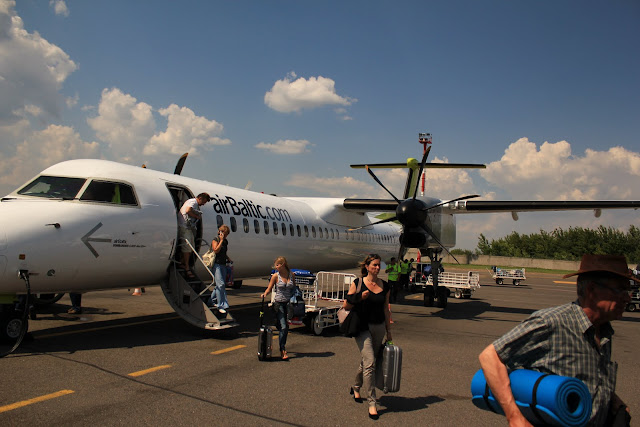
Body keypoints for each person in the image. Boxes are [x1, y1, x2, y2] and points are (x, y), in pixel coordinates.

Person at [478, 254, 635, 426]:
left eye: (628, 291)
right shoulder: (551, 322)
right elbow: (490, 357)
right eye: (620, 290)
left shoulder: (604, 331)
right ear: (591, 290)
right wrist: (514, 417)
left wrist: (613, 400)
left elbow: (589, 378)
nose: (627, 298)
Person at [345, 254, 392, 420]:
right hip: (362, 327)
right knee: (370, 362)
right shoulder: (358, 283)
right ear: (367, 266)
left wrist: (389, 331)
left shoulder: (385, 286)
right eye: (374, 265)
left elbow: (386, 309)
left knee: (368, 362)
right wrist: (360, 297)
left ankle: (356, 386)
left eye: (379, 265)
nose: (377, 268)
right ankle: (372, 403)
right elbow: (346, 304)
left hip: (379, 327)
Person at [260, 256, 296, 360]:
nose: (276, 267)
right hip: (278, 304)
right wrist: (265, 294)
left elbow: (294, 288)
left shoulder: (291, 275)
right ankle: (282, 350)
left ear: (283, 265)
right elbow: (269, 288)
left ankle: (282, 346)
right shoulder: (275, 276)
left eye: (277, 265)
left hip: (288, 304)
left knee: (285, 327)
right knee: (283, 327)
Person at [178, 193, 210, 278]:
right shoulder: (193, 202)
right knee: (187, 247)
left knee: (191, 247)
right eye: (204, 202)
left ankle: (182, 263)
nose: (203, 204)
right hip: (185, 227)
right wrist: (196, 216)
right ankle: (186, 267)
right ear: (200, 198)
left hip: (188, 228)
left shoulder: (194, 203)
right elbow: (188, 210)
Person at [207, 225, 232, 314]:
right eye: (225, 234)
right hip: (216, 265)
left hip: (223, 264)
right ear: (221, 232)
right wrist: (221, 240)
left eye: (227, 234)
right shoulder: (216, 239)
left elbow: (223, 252)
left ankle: (211, 301)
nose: (226, 236)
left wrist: (228, 258)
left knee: (220, 285)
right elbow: (216, 250)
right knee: (220, 284)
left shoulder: (225, 241)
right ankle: (221, 305)